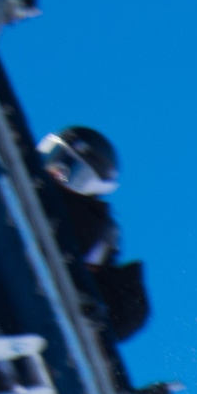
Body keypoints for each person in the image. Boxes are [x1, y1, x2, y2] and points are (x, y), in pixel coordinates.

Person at [37, 126, 152, 346]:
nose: (57, 173)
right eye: (55, 159)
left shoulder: (89, 223)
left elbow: (123, 314)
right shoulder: (13, 179)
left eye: (73, 172)